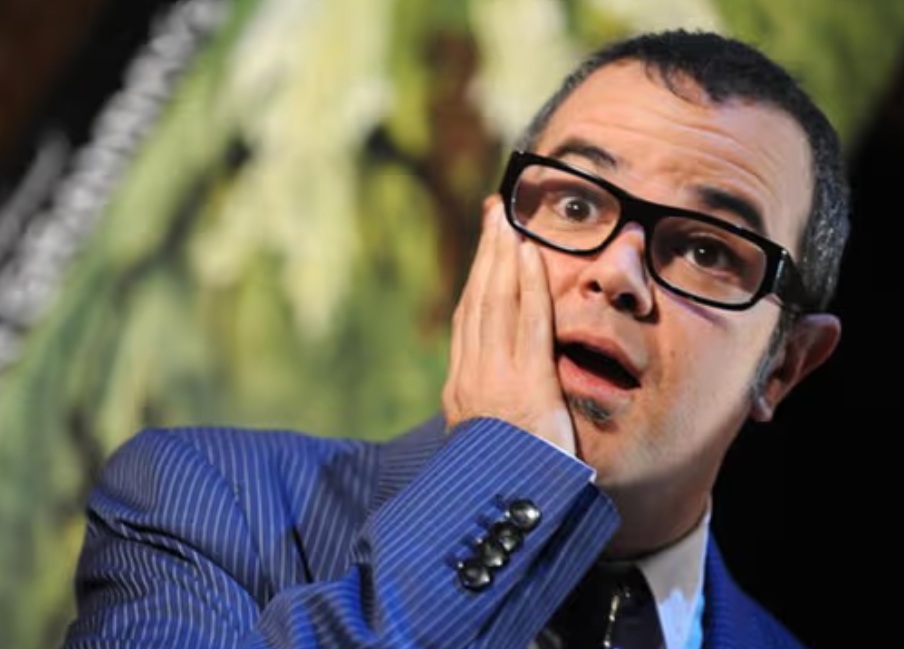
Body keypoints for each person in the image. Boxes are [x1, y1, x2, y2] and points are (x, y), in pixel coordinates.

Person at [63, 29, 849, 649]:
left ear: (783, 365)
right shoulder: (205, 506)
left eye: (707, 249)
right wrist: (505, 477)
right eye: (576, 206)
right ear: (495, 238)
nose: (617, 273)